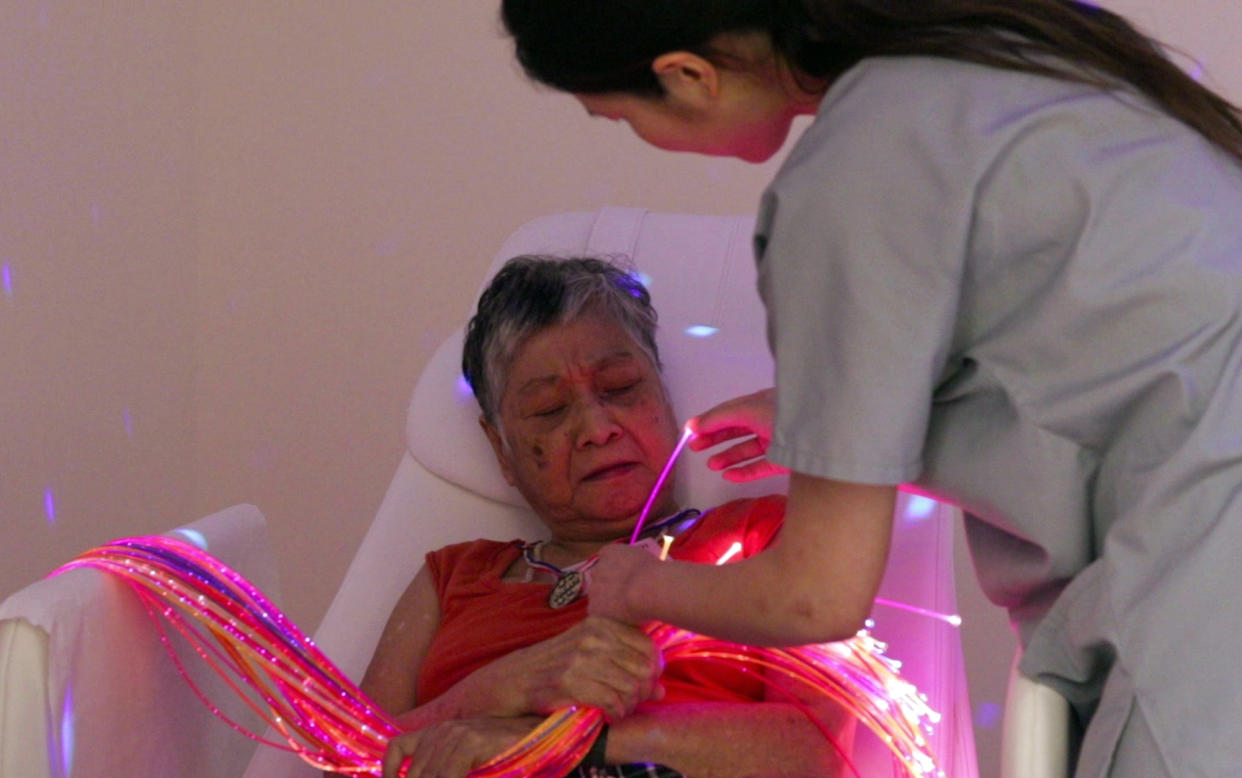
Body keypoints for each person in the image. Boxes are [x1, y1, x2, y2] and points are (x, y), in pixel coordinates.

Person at [498, 1, 1242, 775]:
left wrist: (636, 584)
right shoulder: (1007, 50)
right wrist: (833, 411)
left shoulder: (847, 179)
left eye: (619, 120)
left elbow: (816, 598)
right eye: (547, 409)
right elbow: (1109, 340)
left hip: (1202, 603)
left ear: (686, 76)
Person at [365, 256, 853, 778]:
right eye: (550, 409)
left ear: (662, 395)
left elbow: (819, 751)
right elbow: (341, 760)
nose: (597, 428)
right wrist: (492, 691)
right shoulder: (454, 579)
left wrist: (553, 741)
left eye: (621, 387)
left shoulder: (759, 538)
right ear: (501, 449)